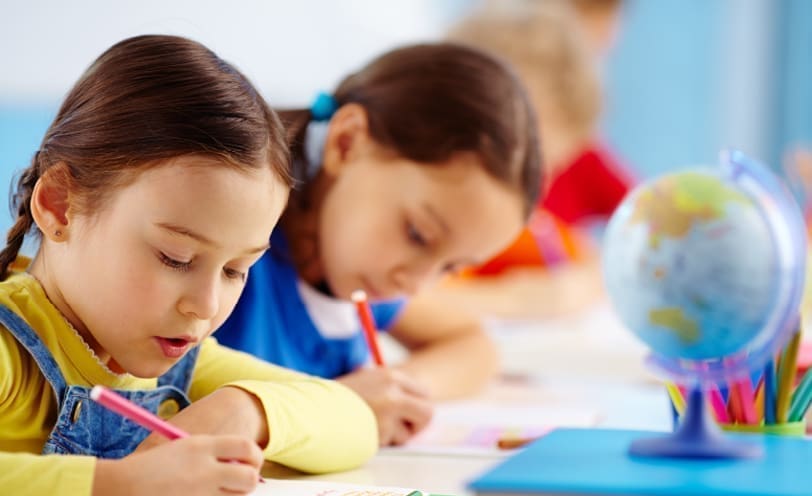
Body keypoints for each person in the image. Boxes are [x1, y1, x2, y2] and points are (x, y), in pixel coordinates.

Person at [0, 35, 378, 496]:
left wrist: (247, 411)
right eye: (174, 258)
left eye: (235, 270)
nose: (206, 306)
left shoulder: (179, 369)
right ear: (59, 206)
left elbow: (355, 421)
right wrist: (121, 493)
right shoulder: (10, 349)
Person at [214, 43, 542, 444]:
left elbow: (473, 346)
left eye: (450, 267)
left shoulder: (354, 263)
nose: (416, 283)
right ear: (347, 143)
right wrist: (340, 404)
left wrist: (398, 387)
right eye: (418, 234)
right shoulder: (225, 251)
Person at [435, 0, 634, 319]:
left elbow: (593, 259)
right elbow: (399, 304)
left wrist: (576, 285)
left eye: (547, 170)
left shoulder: (530, 229)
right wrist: (516, 301)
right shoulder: (428, 219)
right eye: (531, 166)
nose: (535, 190)